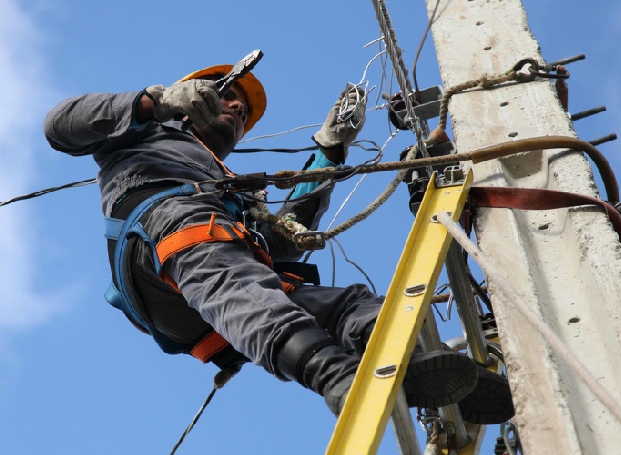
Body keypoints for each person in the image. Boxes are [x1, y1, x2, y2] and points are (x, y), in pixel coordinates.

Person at [44, 55, 513, 421]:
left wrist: (329, 151)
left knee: (347, 304)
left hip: (206, 281)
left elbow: (284, 239)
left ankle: (424, 370)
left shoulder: (231, 192)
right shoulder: (136, 136)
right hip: (166, 240)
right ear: (193, 101)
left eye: (244, 113)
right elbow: (60, 124)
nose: (237, 109)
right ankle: (336, 375)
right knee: (247, 288)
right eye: (229, 97)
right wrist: (155, 101)